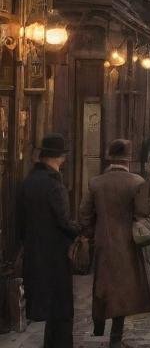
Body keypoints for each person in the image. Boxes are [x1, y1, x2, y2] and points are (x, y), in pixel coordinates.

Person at [79, 139, 150, 345]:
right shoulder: (136, 182)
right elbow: (142, 212)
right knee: (123, 290)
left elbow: (84, 214)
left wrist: (92, 233)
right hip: (128, 245)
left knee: (104, 287)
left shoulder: (96, 183)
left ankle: (99, 327)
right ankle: (115, 337)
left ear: (109, 158)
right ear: (128, 159)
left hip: (104, 244)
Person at [16, 134, 79, 348]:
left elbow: (20, 220)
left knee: (47, 307)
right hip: (55, 255)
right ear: (59, 158)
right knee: (61, 310)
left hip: (34, 252)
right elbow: (63, 220)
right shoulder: (53, 184)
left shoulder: (28, 181)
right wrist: (79, 233)